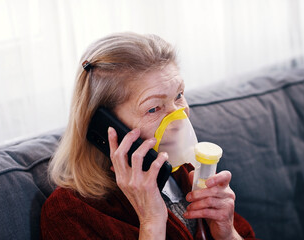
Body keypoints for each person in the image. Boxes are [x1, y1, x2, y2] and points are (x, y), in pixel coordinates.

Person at [40, 32, 256, 240]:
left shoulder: (185, 172)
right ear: (106, 125)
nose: (179, 117)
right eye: (153, 108)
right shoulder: (71, 212)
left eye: (179, 95)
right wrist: (152, 222)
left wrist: (226, 233)